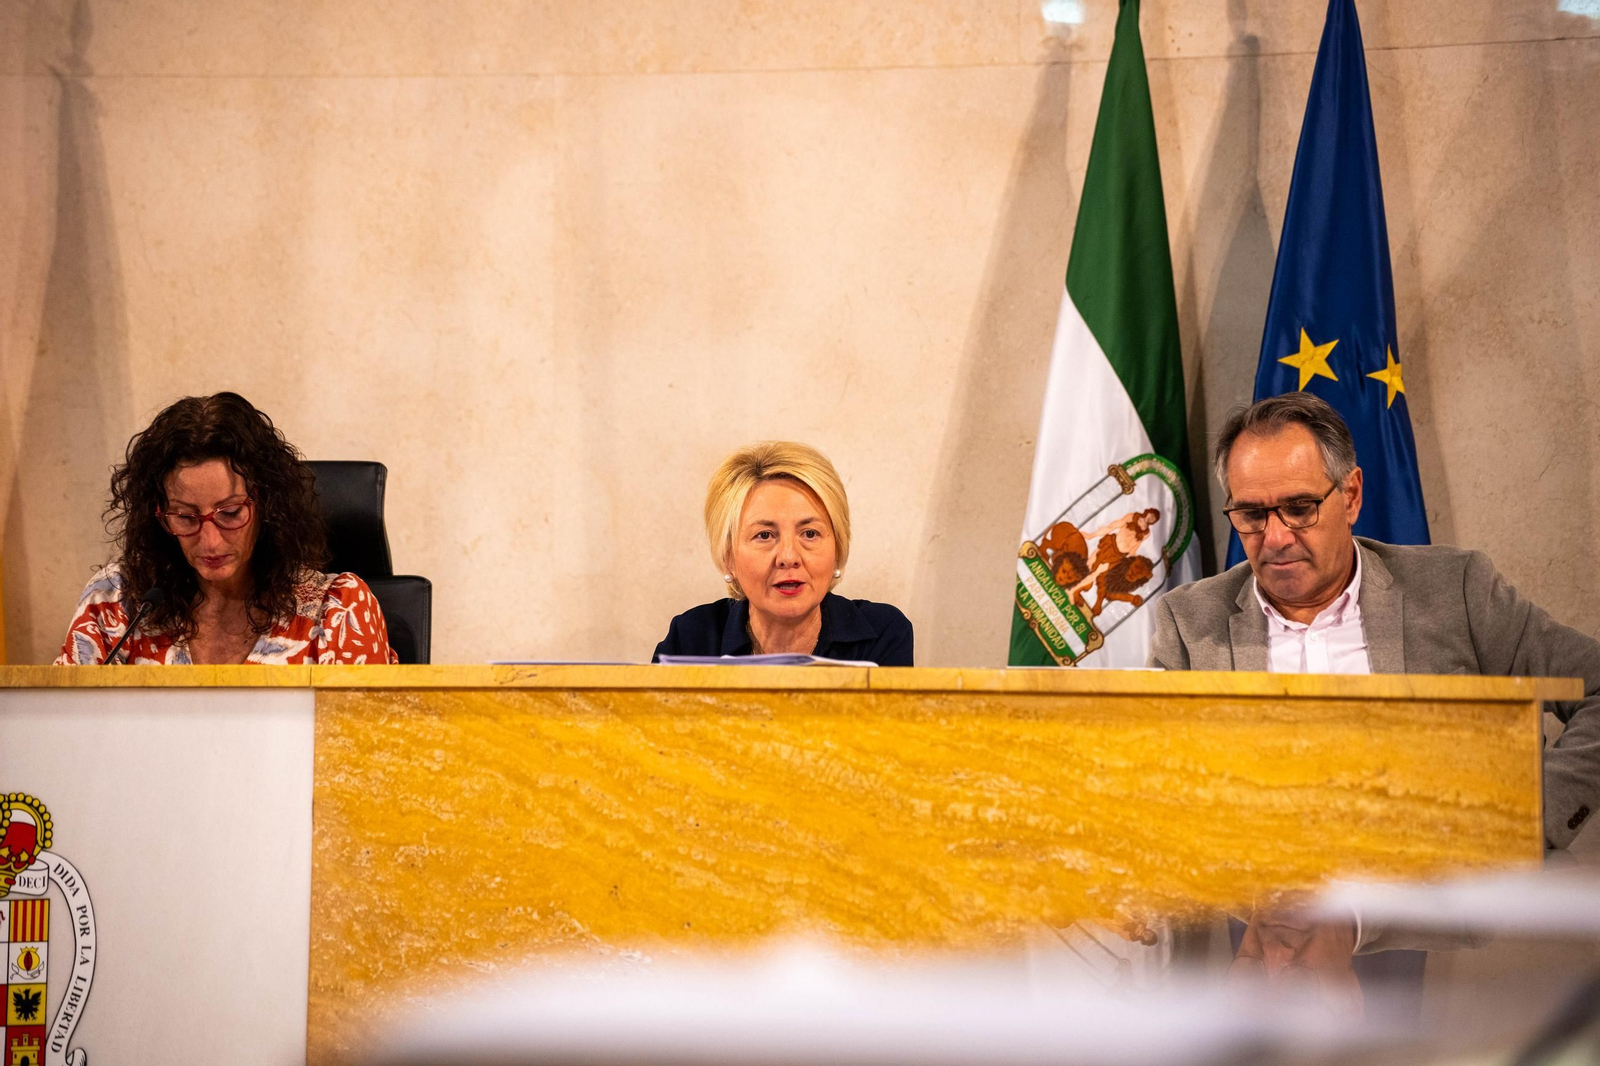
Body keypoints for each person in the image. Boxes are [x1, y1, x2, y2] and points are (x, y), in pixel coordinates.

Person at [1150, 392, 1599, 850]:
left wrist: (1531, 818)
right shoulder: (1190, 625)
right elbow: (1145, 782)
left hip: (1436, 903)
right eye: (1251, 514)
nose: (1276, 537)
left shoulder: (1456, 591)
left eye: (1300, 508)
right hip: (1264, 907)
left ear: (1351, 496)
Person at [56, 392, 398, 665]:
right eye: (186, 518)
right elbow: (68, 735)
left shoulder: (338, 610)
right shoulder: (116, 601)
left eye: (230, 513)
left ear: (268, 505)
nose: (209, 541)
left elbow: (362, 747)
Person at [652, 441, 913, 665]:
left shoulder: (883, 634)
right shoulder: (690, 639)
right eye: (764, 535)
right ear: (728, 556)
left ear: (838, 546)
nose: (789, 557)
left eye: (810, 533)